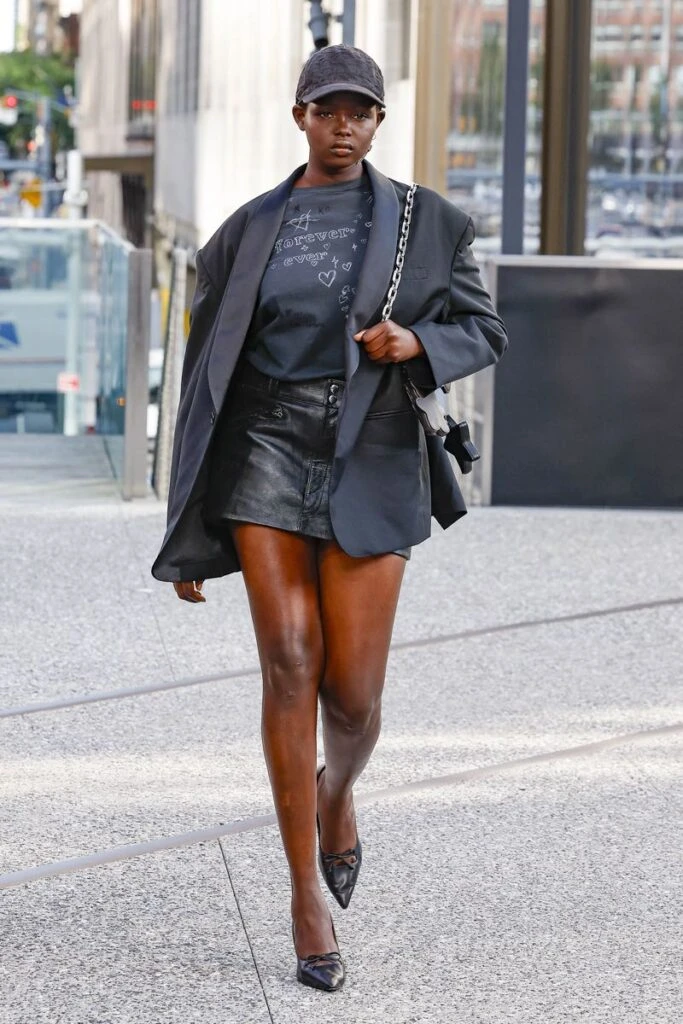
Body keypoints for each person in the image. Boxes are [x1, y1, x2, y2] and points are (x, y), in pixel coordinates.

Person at [152, 44, 507, 993]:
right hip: (264, 449)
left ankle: (336, 793)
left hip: (373, 452)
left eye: (359, 111)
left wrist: (416, 341)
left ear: (378, 122)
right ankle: (303, 892)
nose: (342, 124)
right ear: (300, 117)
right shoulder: (244, 231)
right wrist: (187, 526)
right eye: (327, 109)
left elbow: (484, 329)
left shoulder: (429, 223)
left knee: (352, 697)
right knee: (289, 663)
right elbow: (204, 378)